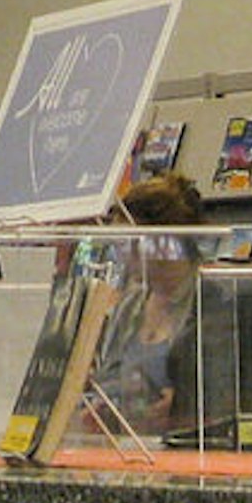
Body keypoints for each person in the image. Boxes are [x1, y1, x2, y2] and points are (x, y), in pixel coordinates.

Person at [94, 172, 207, 443]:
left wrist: (183, 408)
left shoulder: (212, 299)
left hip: (190, 449)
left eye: (131, 244)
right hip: (129, 447)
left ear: (165, 242)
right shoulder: (131, 305)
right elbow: (108, 378)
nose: (122, 255)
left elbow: (221, 392)